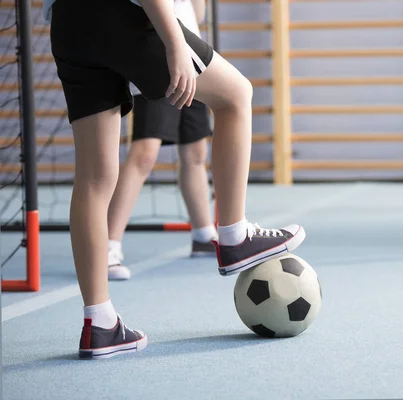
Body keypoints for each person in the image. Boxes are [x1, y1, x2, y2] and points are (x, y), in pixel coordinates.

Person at [42, 0, 306, 360]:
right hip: (122, 14)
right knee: (236, 96)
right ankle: (234, 235)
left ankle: (100, 323)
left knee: (93, 177)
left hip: (69, 22)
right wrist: (175, 42)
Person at [106, 0, 217, 281]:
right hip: (160, 53)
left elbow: (198, 15)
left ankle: (204, 234)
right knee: (145, 152)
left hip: (192, 54)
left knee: (195, 152)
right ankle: (108, 245)